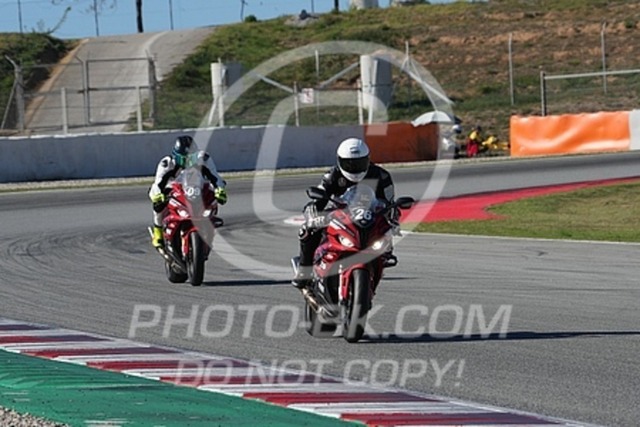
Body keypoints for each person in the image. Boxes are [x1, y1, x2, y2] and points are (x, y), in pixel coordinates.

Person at [292, 137, 397, 289]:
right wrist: (313, 210)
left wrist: (393, 216)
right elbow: (320, 197)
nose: (354, 168)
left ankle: (383, 255)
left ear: (368, 160)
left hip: (369, 215)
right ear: (339, 161)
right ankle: (304, 271)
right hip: (340, 214)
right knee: (307, 229)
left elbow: (390, 202)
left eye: (359, 163)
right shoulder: (332, 175)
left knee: (387, 229)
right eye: (349, 164)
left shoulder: (381, 176)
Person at [148, 135, 228, 249]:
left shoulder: (204, 159)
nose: (187, 162)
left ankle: (208, 224)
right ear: (176, 156)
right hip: (174, 190)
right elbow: (158, 184)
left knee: (213, 196)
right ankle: (158, 232)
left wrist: (220, 190)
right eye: (183, 159)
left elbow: (216, 178)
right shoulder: (166, 164)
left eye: (191, 158)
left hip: (196, 188)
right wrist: (158, 195)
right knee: (158, 203)